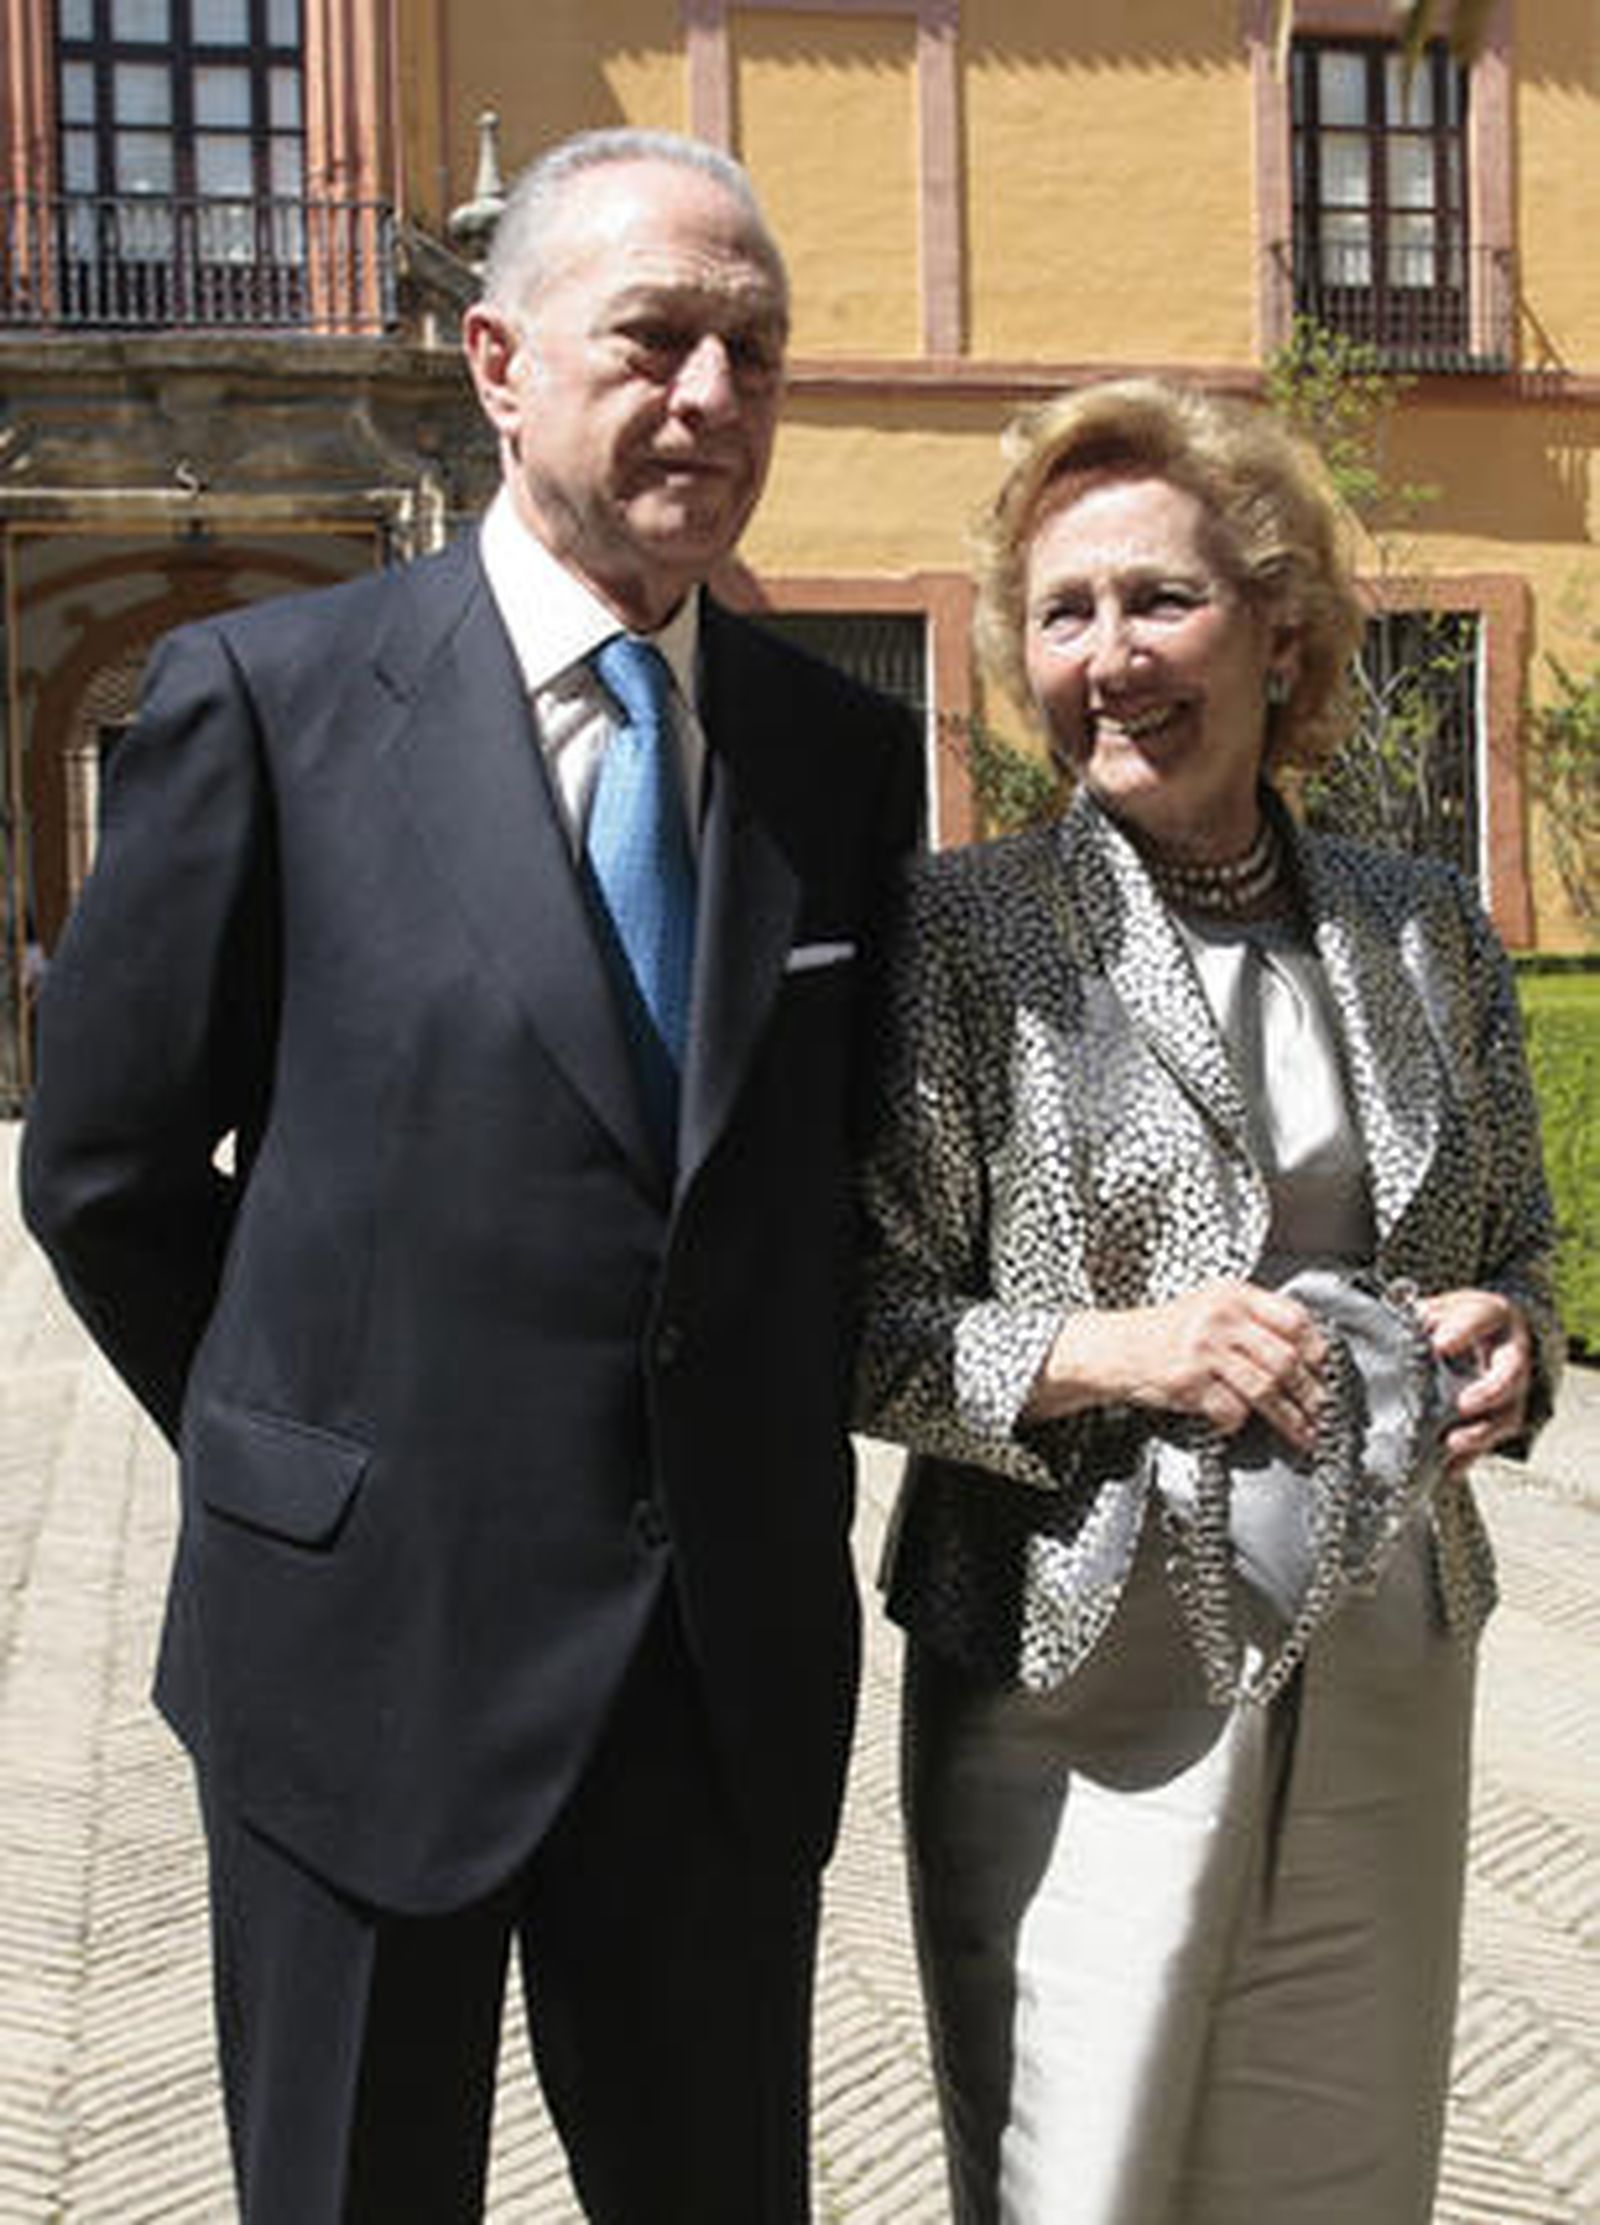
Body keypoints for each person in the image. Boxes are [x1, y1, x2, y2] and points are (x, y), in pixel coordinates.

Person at [21, 129, 921, 2224]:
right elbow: (106, 1173)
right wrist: (311, 1457)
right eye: (657, 340)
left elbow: (836, 1176)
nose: (711, 396)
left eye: (755, 354)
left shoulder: (831, 757)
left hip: (711, 1693)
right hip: (361, 1665)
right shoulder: (267, 701)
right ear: (498, 365)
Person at [855, 377, 1560, 2224]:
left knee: (1340, 2151)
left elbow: (1526, 1252)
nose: (1110, 656)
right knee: (1083, 2160)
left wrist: (1513, 1342)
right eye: (1064, 613)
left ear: (1279, 627)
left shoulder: (1425, 921)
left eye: (1158, 600)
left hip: (1389, 1651)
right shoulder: (965, 931)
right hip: (1073, 1676)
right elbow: (860, 1315)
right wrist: (1111, 1347)